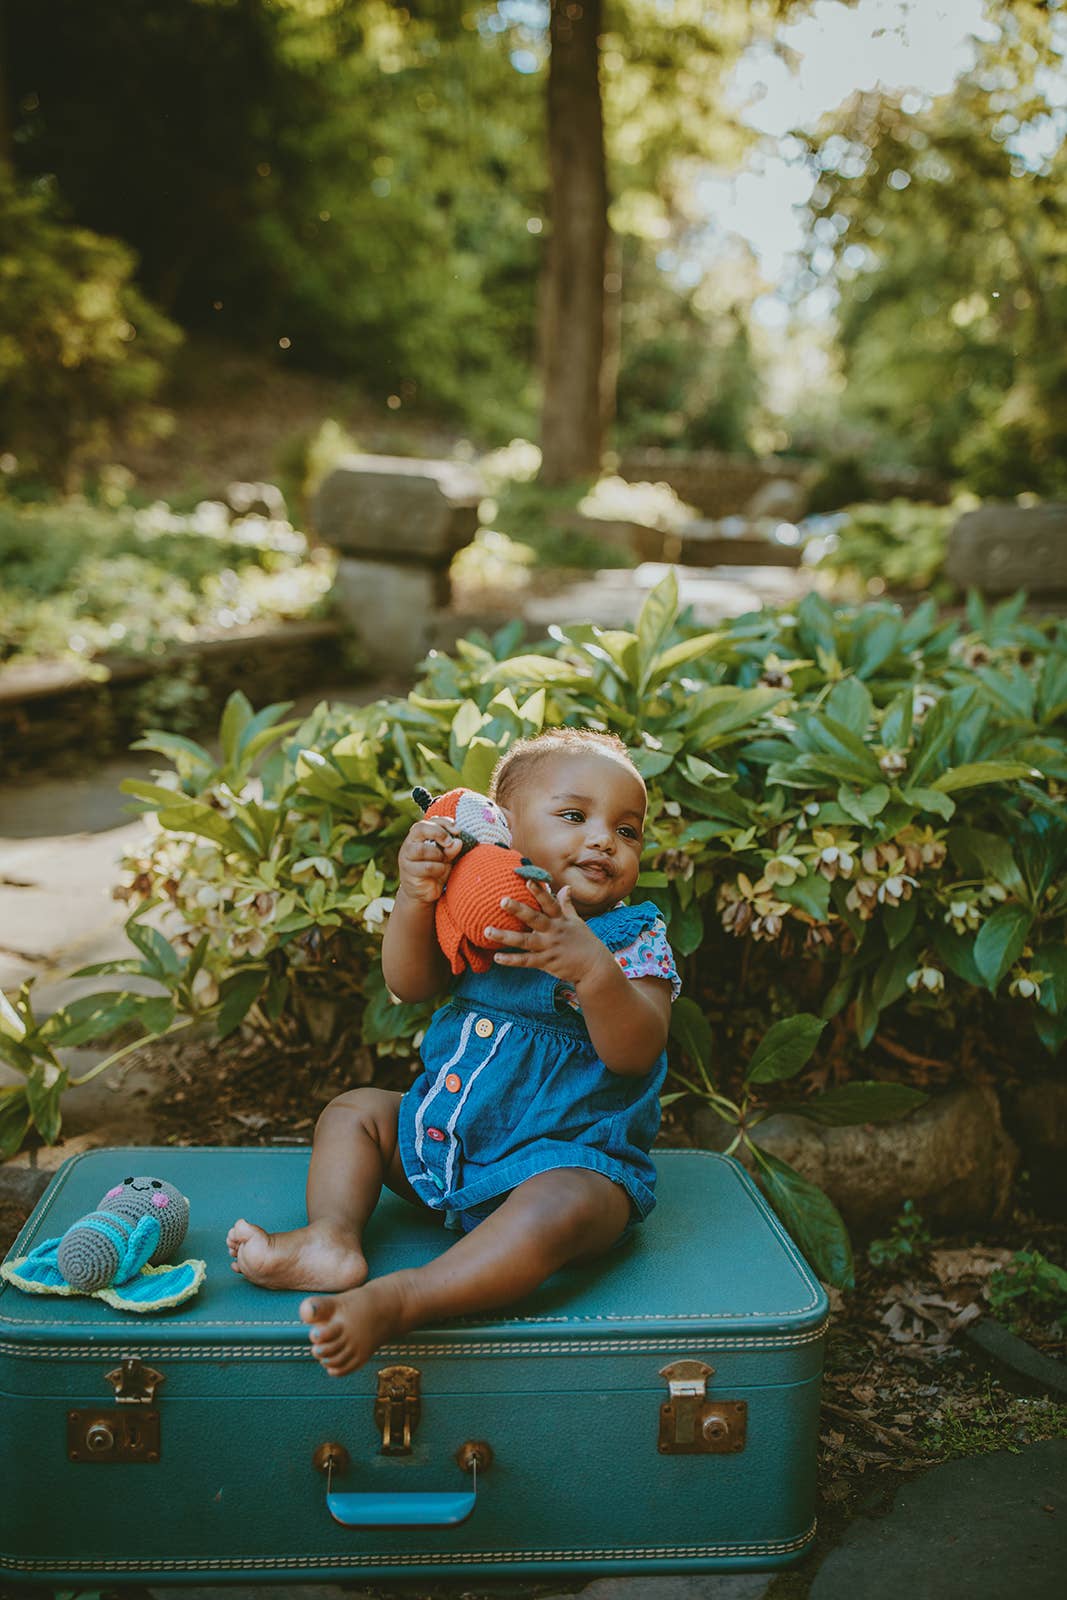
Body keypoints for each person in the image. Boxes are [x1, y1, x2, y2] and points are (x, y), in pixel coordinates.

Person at [226, 728, 681, 1376]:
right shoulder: (479, 912)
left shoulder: (633, 937)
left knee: (561, 1207)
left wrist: (593, 973)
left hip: (572, 1162)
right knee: (354, 1112)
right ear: (503, 829)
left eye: (627, 830)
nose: (605, 839)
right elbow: (407, 985)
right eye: (575, 816)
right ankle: (329, 1240)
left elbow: (636, 1052)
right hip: (449, 1148)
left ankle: (407, 1297)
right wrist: (415, 897)